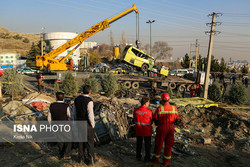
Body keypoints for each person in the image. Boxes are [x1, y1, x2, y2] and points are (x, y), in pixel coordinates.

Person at [152, 93, 179, 166]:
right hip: (171, 127)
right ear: (168, 99)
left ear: (162, 100)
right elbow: (177, 119)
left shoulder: (160, 108)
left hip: (162, 127)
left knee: (158, 144)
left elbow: (155, 119)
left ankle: (155, 159)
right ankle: (166, 162)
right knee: (169, 145)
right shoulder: (174, 108)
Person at [73, 85, 96, 165]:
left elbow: (74, 112)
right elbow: (90, 114)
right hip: (87, 124)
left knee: (80, 142)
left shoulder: (77, 99)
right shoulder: (89, 101)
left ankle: (80, 158)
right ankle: (90, 160)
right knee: (89, 143)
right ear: (90, 92)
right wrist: (92, 124)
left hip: (79, 123)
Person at [47, 92, 73, 159]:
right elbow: (70, 116)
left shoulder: (52, 106)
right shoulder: (66, 106)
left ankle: (61, 154)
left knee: (60, 140)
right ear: (63, 98)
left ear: (56, 98)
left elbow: (49, 117)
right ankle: (67, 154)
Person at [133, 97, 152, 162]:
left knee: (139, 144)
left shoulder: (136, 110)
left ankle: (138, 156)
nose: (149, 103)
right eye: (148, 102)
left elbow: (134, 119)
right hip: (147, 131)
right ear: (145, 103)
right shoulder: (149, 111)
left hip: (138, 130)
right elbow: (151, 119)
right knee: (147, 145)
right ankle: (147, 158)